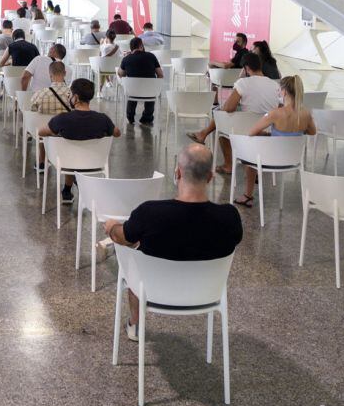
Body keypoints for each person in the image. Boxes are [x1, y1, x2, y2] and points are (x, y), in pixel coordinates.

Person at [103, 143, 243, 342]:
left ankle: (135, 323)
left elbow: (123, 237)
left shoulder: (150, 213)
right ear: (211, 178)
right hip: (205, 295)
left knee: (133, 256)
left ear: (177, 173)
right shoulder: (229, 217)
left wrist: (111, 227)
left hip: (153, 292)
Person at [188, 52, 279, 174]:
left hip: (248, 130)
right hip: (268, 131)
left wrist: (240, 81)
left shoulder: (243, 83)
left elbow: (229, 108)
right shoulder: (275, 85)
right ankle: (203, 134)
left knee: (221, 118)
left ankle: (228, 165)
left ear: (246, 68)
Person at [233, 75, 316, 207]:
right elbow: (312, 132)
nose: (278, 92)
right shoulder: (306, 114)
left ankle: (248, 195)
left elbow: (251, 132)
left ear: (284, 92)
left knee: (249, 156)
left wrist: (268, 134)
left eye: (279, 89)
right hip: (293, 161)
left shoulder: (275, 113)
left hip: (271, 160)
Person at [37, 78, 120, 202]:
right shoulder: (103, 119)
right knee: (75, 148)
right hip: (94, 162)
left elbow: (41, 132)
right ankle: (68, 189)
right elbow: (117, 133)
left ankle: (67, 190)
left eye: (70, 94)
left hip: (67, 162)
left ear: (75, 98)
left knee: (68, 148)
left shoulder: (62, 119)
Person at [116, 37, 164, 126]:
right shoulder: (151, 56)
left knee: (131, 89)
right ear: (141, 46)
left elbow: (120, 73)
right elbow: (160, 74)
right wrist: (156, 86)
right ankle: (147, 117)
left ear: (131, 48)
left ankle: (130, 117)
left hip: (132, 91)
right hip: (150, 91)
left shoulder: (126, 59)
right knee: (150, 91)